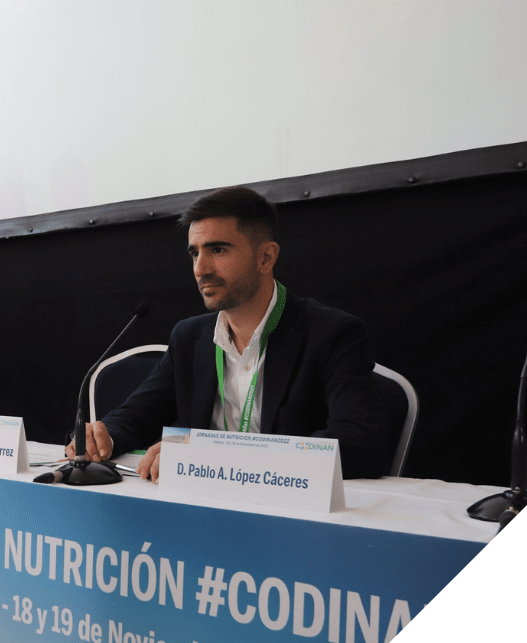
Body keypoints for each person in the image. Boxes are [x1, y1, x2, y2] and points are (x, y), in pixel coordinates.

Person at [67, 185, 390, 482]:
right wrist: (105, 434)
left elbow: (361, 445)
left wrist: (217, 454)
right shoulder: (190, 337)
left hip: (287, 506)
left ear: (265, 257)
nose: (200, 269)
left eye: (218, 250)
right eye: (195, 253)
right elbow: (138, 416)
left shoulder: (332, 333)